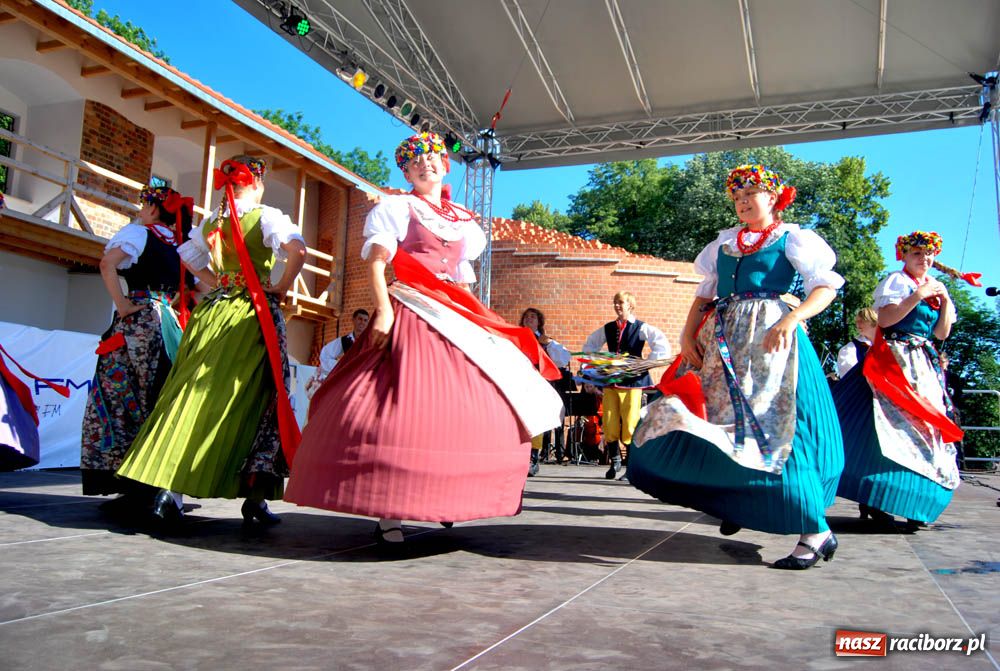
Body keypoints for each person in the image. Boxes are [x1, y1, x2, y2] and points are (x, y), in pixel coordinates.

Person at [283, 132, 563, 545]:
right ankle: (389, 510)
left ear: (445, 166)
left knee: (476, 400)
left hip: (453, 312)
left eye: (432, 160)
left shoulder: (463, 221)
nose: (424, 166)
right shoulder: (398, 208)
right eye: (415, 163)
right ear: (406, 172)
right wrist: (383, 310)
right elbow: (378, 264)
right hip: (411, 307)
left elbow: (463, 283)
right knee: (402, 405)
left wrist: (481, 325)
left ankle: (447, 497)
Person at [627, 164, 845, 570]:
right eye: (738, 197)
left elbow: (825, 286)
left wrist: (791, 319)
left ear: (774, 198)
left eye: (752, 195)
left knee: (777, 433)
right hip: (722, 346)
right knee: (720, 428)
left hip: (771, 348)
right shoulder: (723, 245)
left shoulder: (792, 239)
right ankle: (739, 503)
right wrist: (687, 336)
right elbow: (703, 297)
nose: (744, 202)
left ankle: (815, 532)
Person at [116, 156, 306, 527]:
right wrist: (281, 287)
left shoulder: (211, 221)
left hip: (214, 314)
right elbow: (297, 251)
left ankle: (169, 491)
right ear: (258, 183)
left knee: (191, 393)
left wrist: (218, 281)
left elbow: (187, 257)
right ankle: (255, 497)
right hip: (252, 316)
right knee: (260, 398)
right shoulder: (267, 216)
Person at [835, 231, 961, 532]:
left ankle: (918, 501)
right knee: (885, 427)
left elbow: (942, 334)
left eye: (928, 254)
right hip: (892, 359)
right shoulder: (897, 282)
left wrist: (942, 300)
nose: (924, 259)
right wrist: (918, 295)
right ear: (904, 255)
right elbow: (887, 320)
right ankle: (876, 498)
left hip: (922, 363)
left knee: (925, 431)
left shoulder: (935, 287)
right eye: (917, 253)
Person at [79, 185, 192, 513]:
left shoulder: (139, 234)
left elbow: (106, 265)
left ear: (155, 209)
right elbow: (199, 286)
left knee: (120, 397)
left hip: (139, 322)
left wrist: (123, 305)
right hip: (169, 323)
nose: (140, 209)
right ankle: (155, 480)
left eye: (144, 203)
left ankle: (128, 480)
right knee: (158, 398)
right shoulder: (181, 243)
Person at [582, 291, 669, 480]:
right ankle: (615, 462)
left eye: (620, 302)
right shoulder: (608, 328)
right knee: (610, 423)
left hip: (632, 382)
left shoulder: (641, 327)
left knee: (630, 424)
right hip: (612, 382)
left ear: (630, 305)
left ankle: (630, 467)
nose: (617, 306)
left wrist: (645, 363)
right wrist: (598, 367)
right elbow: (590, 345)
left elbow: (661, 344)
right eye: (615, 302)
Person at [520, 307, 573, 476]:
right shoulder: (515, 337)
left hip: (536, 384)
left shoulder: (545, 341)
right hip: (518, 384)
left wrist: (548, 343)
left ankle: (533, 459)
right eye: (527, 317)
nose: (529, 319)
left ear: (539, 322)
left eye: (533, 317)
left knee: (534, 420)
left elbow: (565, 358)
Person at [305, 308, 370, 399]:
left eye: (365, 320)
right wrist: (341, 367)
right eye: (360, 319)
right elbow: (325, 355)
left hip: (365, 380)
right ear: (353, 320)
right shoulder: (345, 341)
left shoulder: (370, 342)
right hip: (348, 381)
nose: (362, 322)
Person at [835, 307, 877, 379]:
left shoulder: (887, 343)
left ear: (872, 321)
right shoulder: (850, 349)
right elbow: (850, 377)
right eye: (856, 321)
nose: (857, 324)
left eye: (861, 321)